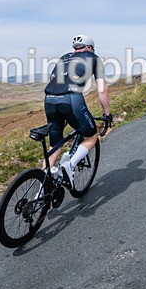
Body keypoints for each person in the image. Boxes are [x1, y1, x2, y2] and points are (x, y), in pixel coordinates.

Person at [44, 34, 112, 185]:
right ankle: (70, 165)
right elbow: (102, 90)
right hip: (71, 99)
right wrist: (107, 114)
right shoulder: (94, 58)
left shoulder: (63, 57)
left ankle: (43, 186)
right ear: (89, 48)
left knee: (55, 144)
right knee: (91, 137)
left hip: (49, 100)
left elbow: (53, 79)